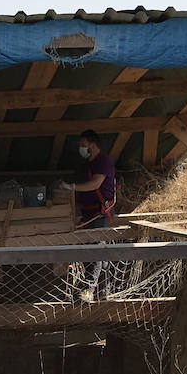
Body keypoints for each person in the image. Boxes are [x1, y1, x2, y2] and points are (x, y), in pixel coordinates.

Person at [61, 129, 116, 302]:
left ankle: (88, 288)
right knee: (96, 252)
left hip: (100, 212)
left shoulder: (103, 161)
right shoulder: (85, 166)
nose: (81, 148)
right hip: (88, 212)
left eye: (83, 145)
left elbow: (95, 184)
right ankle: (103, 291)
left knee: (97, 249)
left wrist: (73, 187)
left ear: (92, 145)